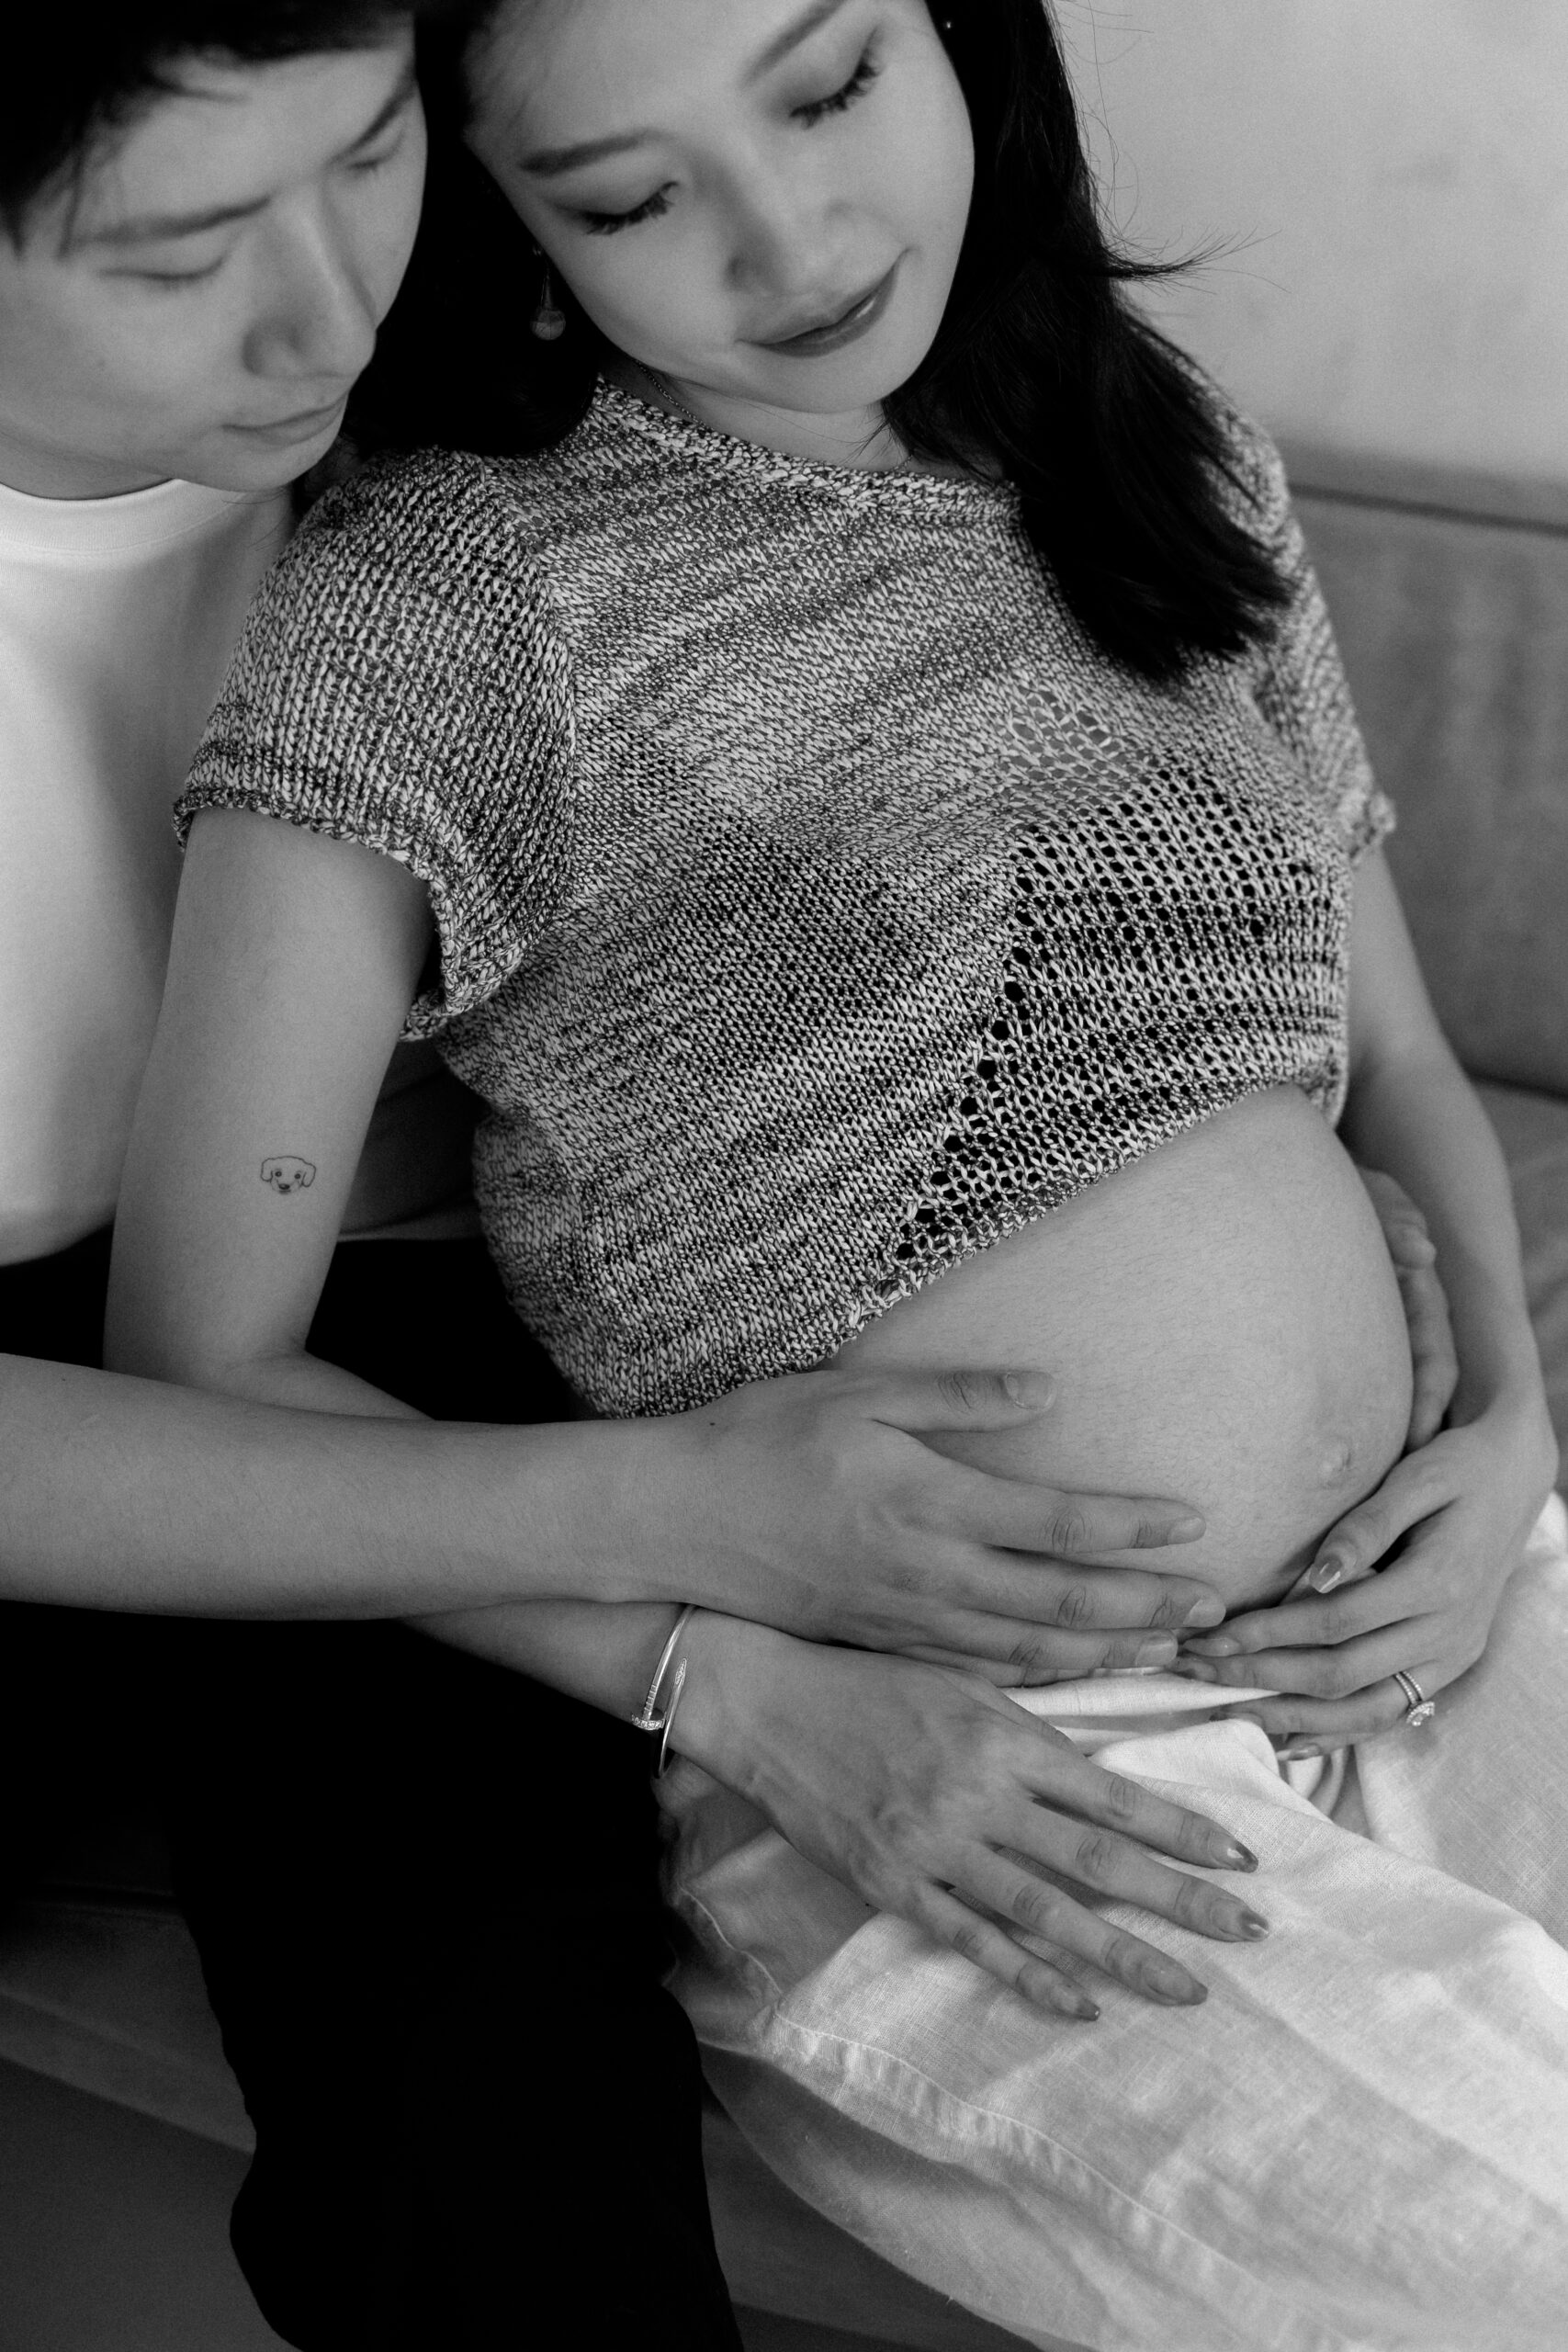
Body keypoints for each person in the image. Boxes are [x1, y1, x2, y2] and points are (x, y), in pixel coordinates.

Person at [101, 0, 1565, 2343]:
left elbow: (1379, 1036)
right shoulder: (438, 596)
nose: (786, 237)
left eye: (822, 84)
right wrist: (733, 1685)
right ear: (513, 237)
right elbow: (197, 1365)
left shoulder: (1142, 434)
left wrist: (1504, 1431)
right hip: (968, 1751)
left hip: (1431, 1592)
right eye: (625, 193)